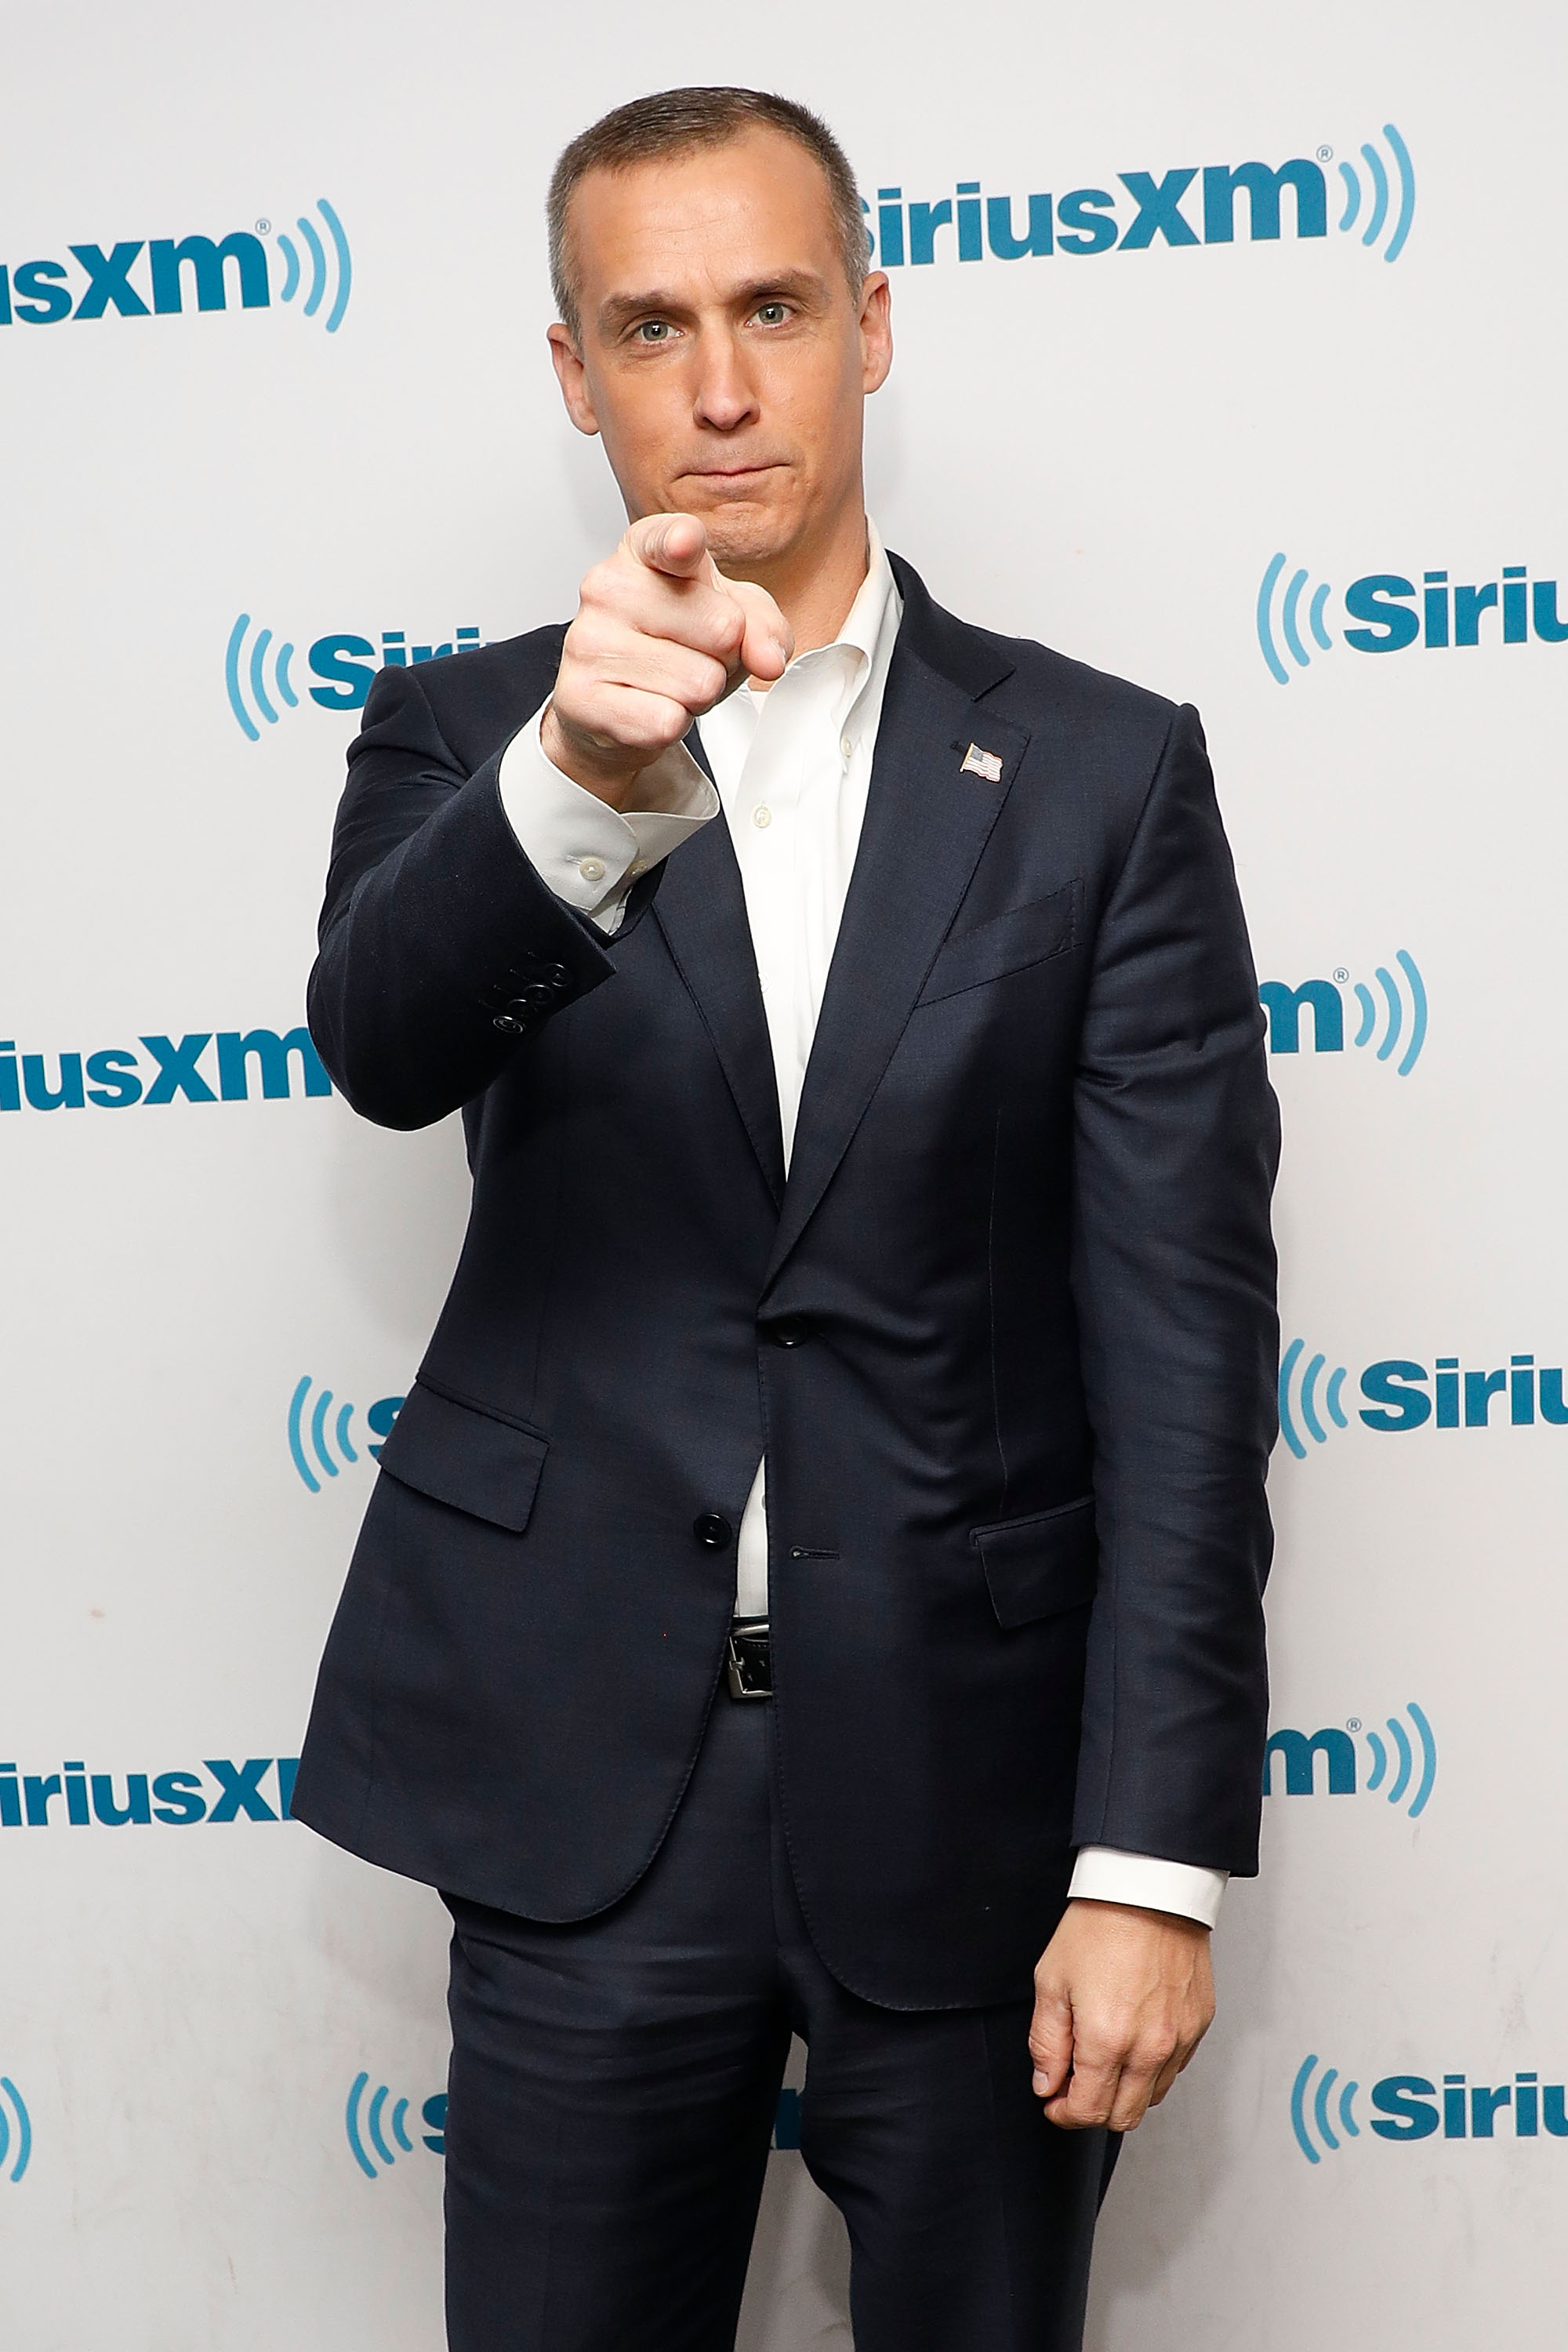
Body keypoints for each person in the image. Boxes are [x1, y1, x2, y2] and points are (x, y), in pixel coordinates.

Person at [292, 84, 1279, 2352]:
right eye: (651, 325)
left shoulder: (1105, 777)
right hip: (583, 1791)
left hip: (980, 1792)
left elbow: (1186, 1349)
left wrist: (1148, 1857)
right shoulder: (474, 743)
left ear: (872, 327)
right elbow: (381, 1035)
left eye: (774, 307)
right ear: (573, 373)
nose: (721, 386)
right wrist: (584, 781)